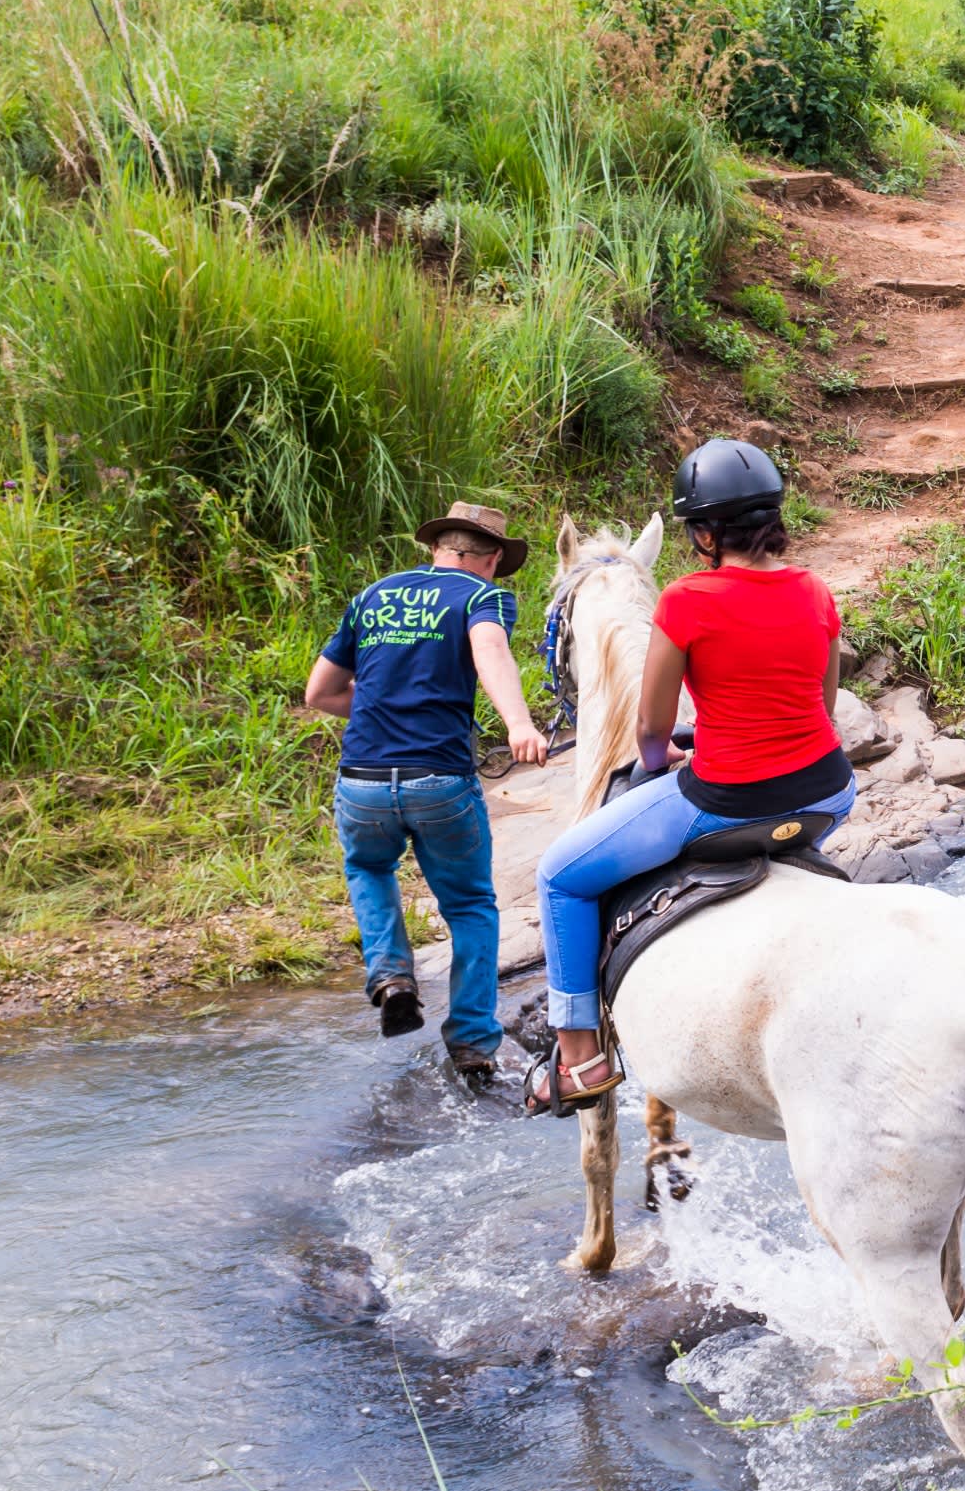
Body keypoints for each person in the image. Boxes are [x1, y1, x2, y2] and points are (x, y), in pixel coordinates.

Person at [524, 440, 854, 1115]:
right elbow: (820, 709)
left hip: (728, 802)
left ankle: (579, 1057)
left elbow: (648, 732)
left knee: (559, 874)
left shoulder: (686, 600)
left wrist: (666, 759)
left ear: (705, 532)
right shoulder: (816, 591)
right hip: (827, 793)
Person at [301, 502, 553, 1085]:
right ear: (491, 560)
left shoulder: (374, 595)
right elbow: (490, 650)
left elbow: (320, 692)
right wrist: (518, 724)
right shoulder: (481, 596)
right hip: (440, 781)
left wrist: (373, 706)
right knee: (468, 907)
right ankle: (470, 1045)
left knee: (368, 869)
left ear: (438, 548)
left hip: (362, 780)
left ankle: (392, 977)